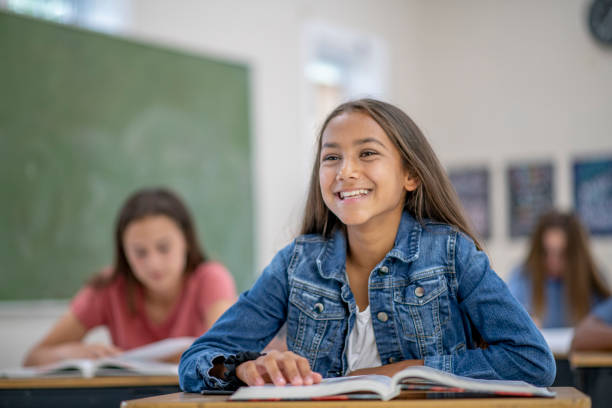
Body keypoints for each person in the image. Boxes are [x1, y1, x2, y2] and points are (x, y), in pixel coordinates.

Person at [179, 99, 556, 392]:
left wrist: (408, 371)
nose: (345, 171)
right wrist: (245, 368)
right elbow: (196, 360)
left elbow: (532, 360)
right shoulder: (295, 265)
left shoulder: (452, 255)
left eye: (367, 153)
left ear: (410, 174)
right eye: (331, 157)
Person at [23, 188, 237, 366]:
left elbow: (230, 350)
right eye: (139, 252)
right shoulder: (108, 287)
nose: (153, 263)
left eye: (164, 248)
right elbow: (33, 358)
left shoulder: (210, 278)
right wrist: (69, 354)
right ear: (124, 252)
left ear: (186, 242)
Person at [507, 211, 610, 328]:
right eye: (546, 252)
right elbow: (507, 312)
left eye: (562, 254)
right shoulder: (522, 275)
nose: (552, 261)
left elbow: (606, 312)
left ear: (576, 255)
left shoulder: (591, 278)